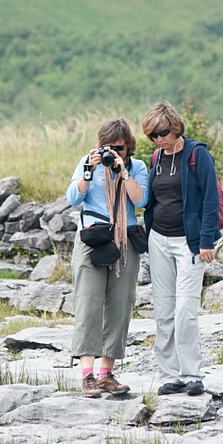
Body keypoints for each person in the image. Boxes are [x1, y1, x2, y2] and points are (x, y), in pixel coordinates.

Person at [141, 102, 221, 397]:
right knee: (163, 310)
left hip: (189, 242)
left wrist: (207, 241)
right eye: (152, 136)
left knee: (185, 310)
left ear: (175, 127)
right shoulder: (156, 158)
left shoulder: (197, 156)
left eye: (162, 133)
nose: (158, 140)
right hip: (158, 240)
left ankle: (192, 375)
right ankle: (169, 376)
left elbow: (211, 200)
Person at [66, 118, 149, 398]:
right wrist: (89, 171)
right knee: (88, 303)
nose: (114, 152)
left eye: (120, 148)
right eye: (108, 147)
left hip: (124, 240)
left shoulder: (137, 167)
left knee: (120, 305)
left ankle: (106, 374)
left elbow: (141, 201)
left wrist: (123, 172)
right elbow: (73, 199)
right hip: (92, 240)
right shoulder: (88, 163)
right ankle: (87, 375)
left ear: (129, 147)